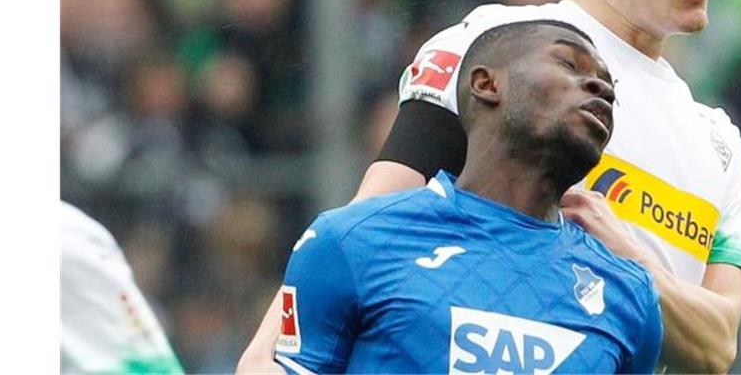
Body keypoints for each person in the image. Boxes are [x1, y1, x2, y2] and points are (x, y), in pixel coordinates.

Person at [239, 0, 741, 373]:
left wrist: (627, 258)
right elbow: (366, 231)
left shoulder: (718, 142)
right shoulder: (500, 47)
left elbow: (715, 346)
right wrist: (264, 359)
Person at [270, 20, 663, 373]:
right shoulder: (354, 242)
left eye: (608, 87)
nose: (601, 89)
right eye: (569, 64)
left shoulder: (629, 294)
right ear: (486, 84)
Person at [61, 201, 185, 374]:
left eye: (158, 251)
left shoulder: (69, 233)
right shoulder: (69, 236)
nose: (153, 262)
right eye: (144, 249)